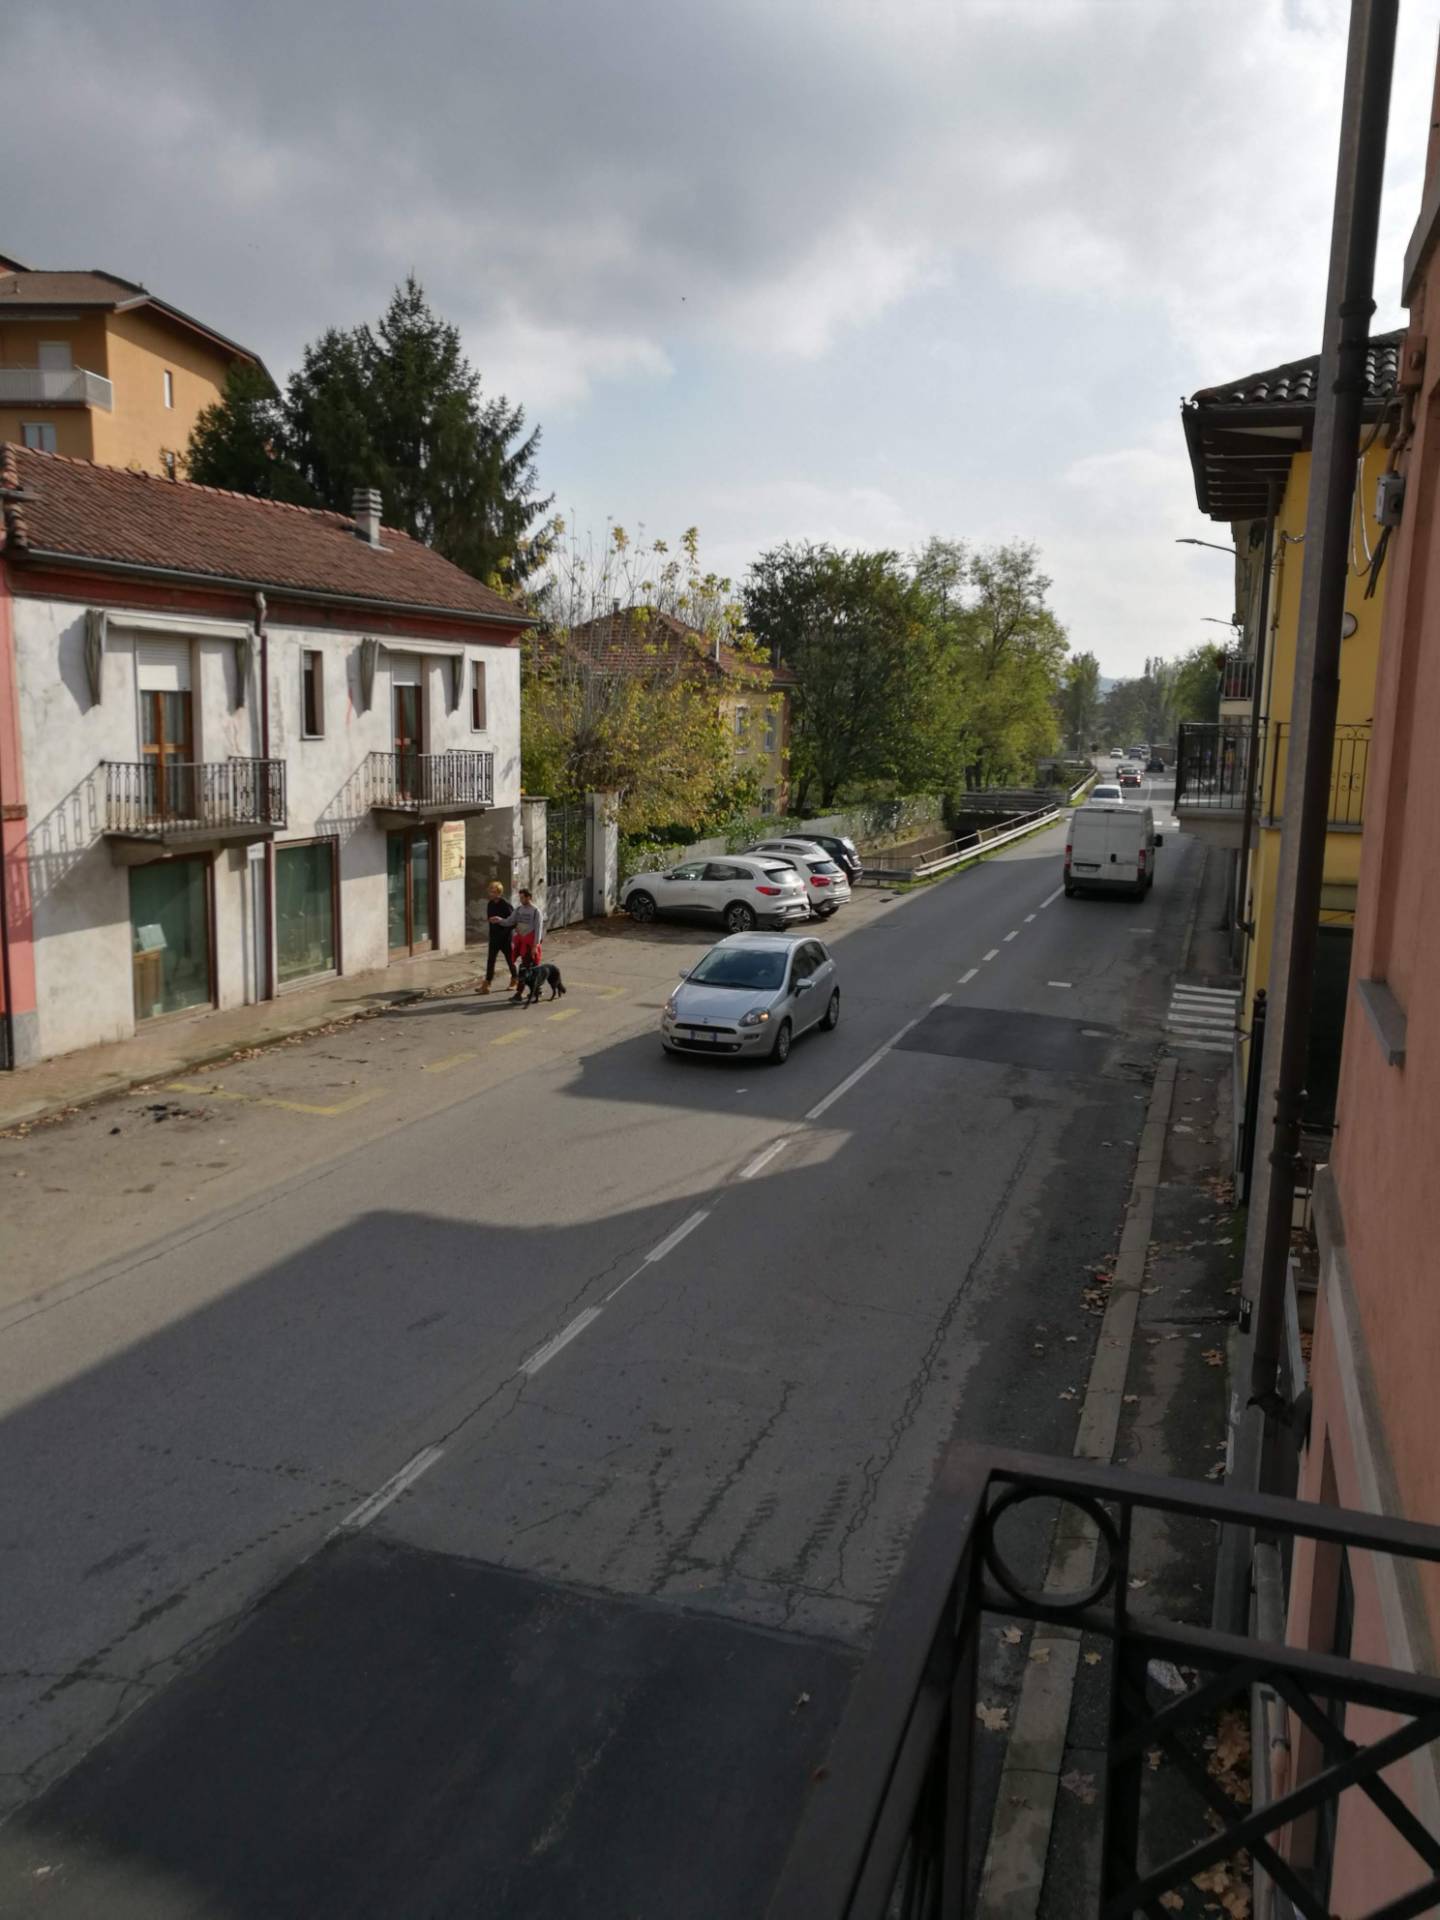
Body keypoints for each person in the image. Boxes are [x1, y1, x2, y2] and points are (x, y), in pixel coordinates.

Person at [506, 889, 544, 1001]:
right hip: (523, 945)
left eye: (522, 897)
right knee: (532, 969)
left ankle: (519, 994)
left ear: (529, 897)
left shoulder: (536, 912)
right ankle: (537, 991)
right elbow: (510, 921)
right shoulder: (519, 910)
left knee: (524, 969)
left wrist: (534, 947)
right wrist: (500, 920)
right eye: (520, 897)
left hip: (531, 946)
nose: (521, 899)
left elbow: (538, 930)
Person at [480, 881, 518, 995]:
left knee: (510, 960)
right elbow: (489, 918)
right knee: (490, 961)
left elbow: (513, 922)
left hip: (505, 938)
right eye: (490, 891)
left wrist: (502, 924)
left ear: (499, 893)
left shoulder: (506, 905)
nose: (491, 894)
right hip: (494, 937)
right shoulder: (490, 904)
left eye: (493, 892)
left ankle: (515, 980)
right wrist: (491, 920)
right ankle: (487, 983)